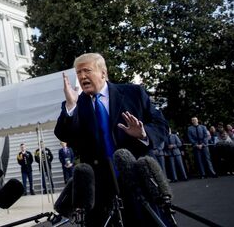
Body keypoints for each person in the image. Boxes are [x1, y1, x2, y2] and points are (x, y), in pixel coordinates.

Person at [54, 53, 169, 226]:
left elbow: (161, 125)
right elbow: (63, 134)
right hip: (100, 188)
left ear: (103, 73)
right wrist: (71, 106)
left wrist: (143, 133)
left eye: (87, 71)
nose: (82, 76)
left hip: (137, 179)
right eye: (78, 73)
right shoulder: (75, 103)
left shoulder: (133, 93)